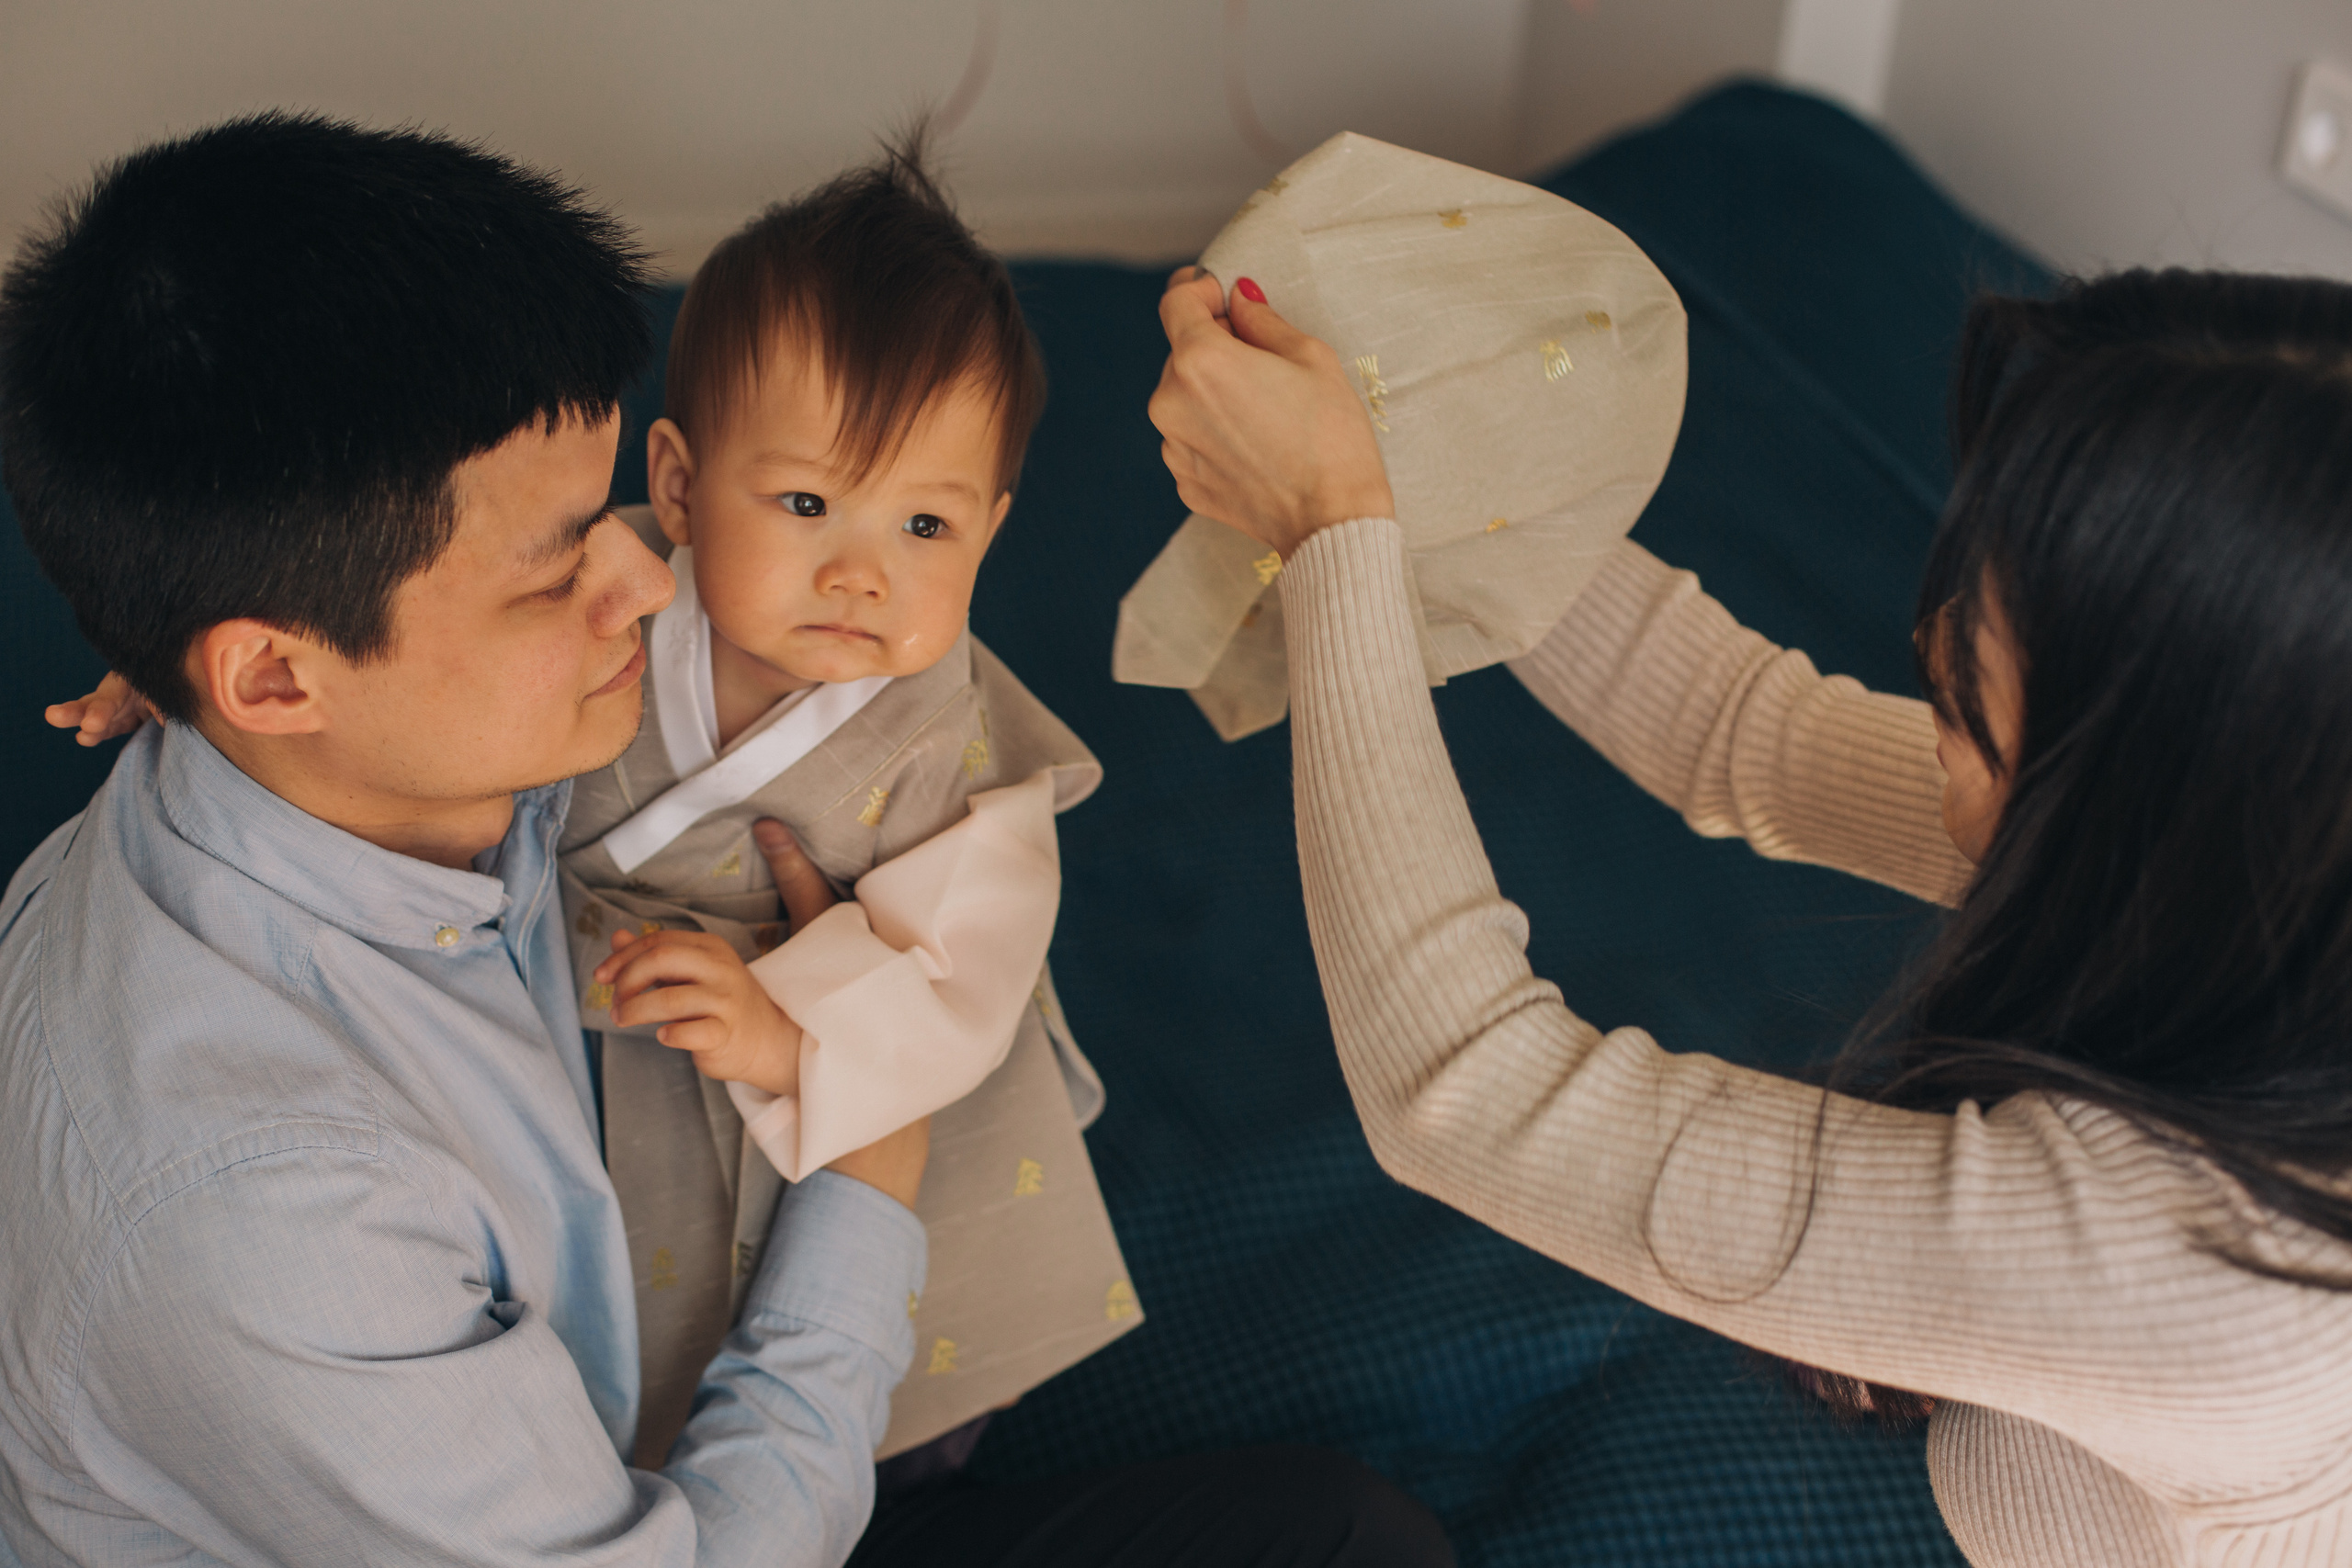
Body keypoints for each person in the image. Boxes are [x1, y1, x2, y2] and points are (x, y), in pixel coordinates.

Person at [0, 118, 1451, 1567]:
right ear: (275, 674)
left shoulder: (306, 755)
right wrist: (868, 1178)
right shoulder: (280, 1215)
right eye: (562, 563)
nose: (647, 572)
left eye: (612, 509)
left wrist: (172, 675)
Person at [1147, 263, 2352, 1565]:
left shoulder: (2190, 1270)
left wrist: (1336, 539)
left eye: (1990, 650)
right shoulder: (2271, 880)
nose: (1930, 637)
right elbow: (1746, 733)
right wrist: (1408, 467)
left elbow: (1467, 1085)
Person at [559, 141, 1136, 1471]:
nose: (862, 574)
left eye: (923, 529)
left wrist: (782, 1032)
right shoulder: (604, 597)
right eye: (809, 501)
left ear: (989, 531)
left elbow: (963, 992)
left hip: (836, 1103)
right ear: (680, 486)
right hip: (585, 1065)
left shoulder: (961, 756)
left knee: (881, 1404)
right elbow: (422, 641)